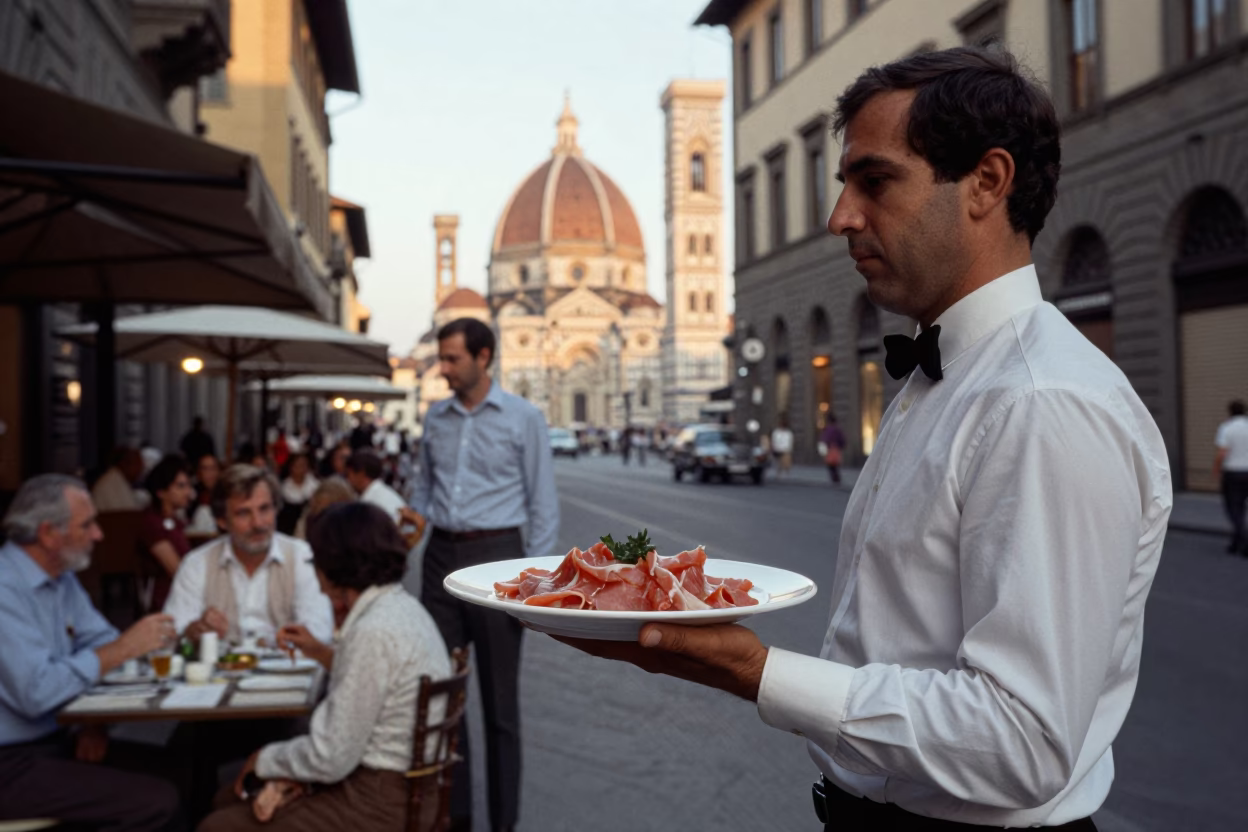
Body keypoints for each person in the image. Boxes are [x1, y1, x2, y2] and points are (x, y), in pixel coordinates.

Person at [562, 47, 1172, 831]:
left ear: (988, 182)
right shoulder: (947, 375)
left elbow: (1023, 742)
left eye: (873, 181)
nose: (840, 216)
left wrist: (758, 672)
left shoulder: (1039, 401)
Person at [196, 502, 451, 832]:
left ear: (336, 565)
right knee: (228, 799)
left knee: (218, 824)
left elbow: (330, 755)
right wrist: (323, 652)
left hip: (378, 802)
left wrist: (265, 759)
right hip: (406, 789)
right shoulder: (401, 608)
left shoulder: (373, 630)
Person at [410, 317, 559, 832]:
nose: (442, 368)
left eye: (452, 358)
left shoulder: (524, 418)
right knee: (442, 695)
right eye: (442, 357)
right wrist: (413, 516)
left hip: (498, 559)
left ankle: (503, 824)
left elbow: (543, 507)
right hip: (439, 559)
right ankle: (457, 816)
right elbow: (423, 487)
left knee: (499, 707)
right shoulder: (435, 417)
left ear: (483, 357)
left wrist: (532, 587)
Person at [0, 474, 183, 831]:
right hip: (9, 763)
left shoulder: (61, 579)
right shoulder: (5, 590)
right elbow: (37, 692)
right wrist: (124, 648)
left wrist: (92, 721)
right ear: (49, 533)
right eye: (87, 525)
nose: (99, 534)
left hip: (56, 740)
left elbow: (101, 641)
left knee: (178, 767)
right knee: (155, 803)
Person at [164, 463, 333, 647]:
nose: (258, 523)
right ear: (222, 521)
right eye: (243, 513)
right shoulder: (198, 564)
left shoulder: (301, 557)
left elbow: (319, 632)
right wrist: (193, 631)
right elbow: (171, 634)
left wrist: (267, 643)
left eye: (265, 509)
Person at [138, 454, 195, 611]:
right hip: (164, 601)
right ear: (161, 492)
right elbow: (175, 569)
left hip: (181, 595)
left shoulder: (175, 521)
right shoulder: (151, 523)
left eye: (188, 486)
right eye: (180, 486)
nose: (187, 492)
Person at [1214, 399, 1248, 555]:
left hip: (1233, 474)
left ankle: (1243, 539)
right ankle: (1236, 542)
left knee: (1234, 508)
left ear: (1230, 411)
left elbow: (1222, 452)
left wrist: (1216, 469)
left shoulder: (1226, 428)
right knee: (1241, 508)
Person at [346, 449, 405, 525]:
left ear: (361, 474)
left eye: (348, 475)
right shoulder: (382, 493)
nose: (347, 480)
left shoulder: (372, 504)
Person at [91, 446, 149, 512]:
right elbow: (127, 515)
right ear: (124, 464)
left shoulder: (118, 478)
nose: (141, 469)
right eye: (138, 464)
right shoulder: (112, 483)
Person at [277, 453, 319, 536]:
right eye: (297, 465)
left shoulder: (316, 486)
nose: (301, 469)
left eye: (303, 465)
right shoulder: (283, 488)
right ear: (291, 467)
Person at [188, 454, 223, 538]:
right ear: (198, 473)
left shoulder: (226, 494)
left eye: (213, 468)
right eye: (205, 469)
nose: (209, 473)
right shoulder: (190, 494)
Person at [819, 414, 847, 485]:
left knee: (830, 464)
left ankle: (835, 479)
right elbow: (842, 440)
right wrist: (841, 446)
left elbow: (825, 439)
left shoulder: (828, 429)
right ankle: (836, 479)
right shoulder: (837, 429)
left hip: (830, 449)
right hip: (836, 448)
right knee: (835, 464)